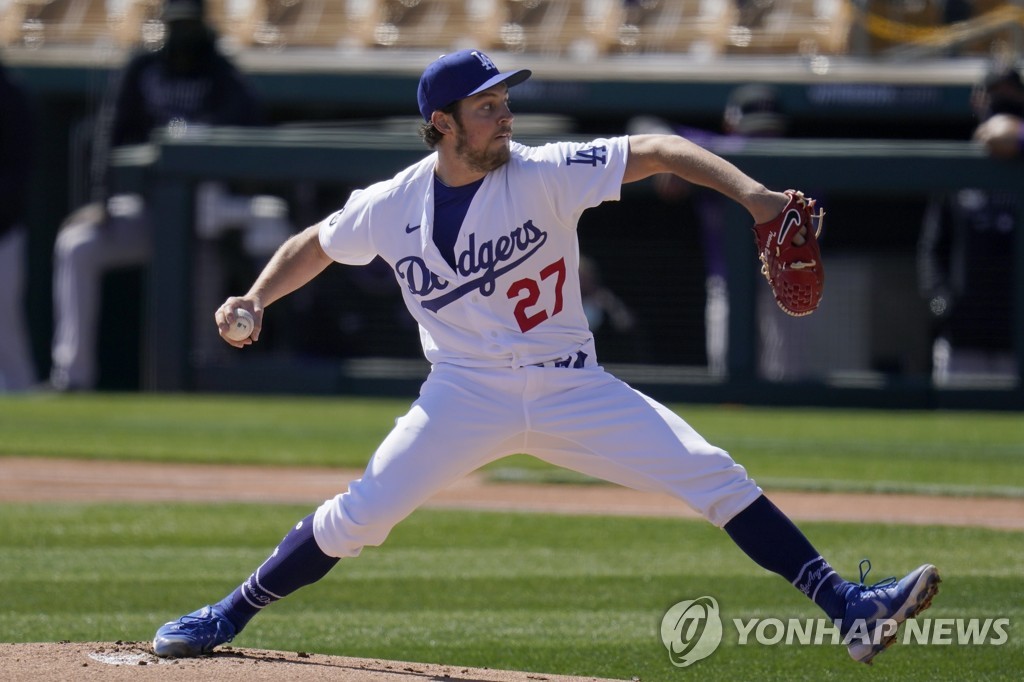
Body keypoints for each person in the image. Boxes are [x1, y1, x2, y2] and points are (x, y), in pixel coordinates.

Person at [153, 49, 939, 666]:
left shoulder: (543, 171)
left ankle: (850, 609)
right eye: (486, 107)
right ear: (442, 122)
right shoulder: (391, 204)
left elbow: (663, 149)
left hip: (574, 388)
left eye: (505, 102)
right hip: (462, 396)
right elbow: (315, 244)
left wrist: (758, 199)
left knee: (714, 474)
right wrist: (256, 297)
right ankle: (228, 614)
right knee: (361, 514)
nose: (504, 117)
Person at [49, 0, 272, 391]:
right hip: (148, 208)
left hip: (207, 214)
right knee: (77, 246)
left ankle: (219, 374)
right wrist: (102, 202)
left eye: (189, 24)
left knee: (227, 265)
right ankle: (72, 376)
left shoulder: (223, 75)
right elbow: (108, 137)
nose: (182, 35)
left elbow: (250, 140)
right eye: (176, 25)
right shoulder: (142, 68)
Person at [627, 84, 810, 379]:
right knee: (726, 377)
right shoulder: (710, 152)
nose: (762, 140)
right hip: (725, 280)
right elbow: (643, 125)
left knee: (785, 377)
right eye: (753, 133)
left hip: (782, 284)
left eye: (769, 132)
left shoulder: (799, 166)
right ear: (730, 125)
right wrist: (663, 162)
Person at [918, 64, 1021, 386]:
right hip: (964, 334)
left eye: (1011, 96)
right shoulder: (959, 171)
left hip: (1017, 333)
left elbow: (1003, 133)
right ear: (980, 100)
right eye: (995, 95)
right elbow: (933, 247)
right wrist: (941, 303)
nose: (1002, 104)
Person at [0, 54, 37, 392]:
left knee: (3, 323)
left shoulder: (9, 94)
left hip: (3, 229)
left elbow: (19, 168)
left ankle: (20, 393)